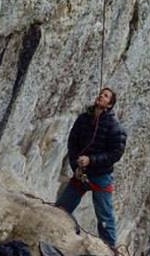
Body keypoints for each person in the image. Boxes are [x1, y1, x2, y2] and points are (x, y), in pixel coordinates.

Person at [56, 87, 127, 252]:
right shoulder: (83, 119)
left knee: (105, 217)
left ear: (109, 105)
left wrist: (91, 160)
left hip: (100, 175)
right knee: (61, 209)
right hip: (82, 173)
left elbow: (115, 154)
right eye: (101, 93)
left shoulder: (115, 128)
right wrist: (76, 167)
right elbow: (73, 143)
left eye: (106, 96)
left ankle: (109, 250)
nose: (101, 96)